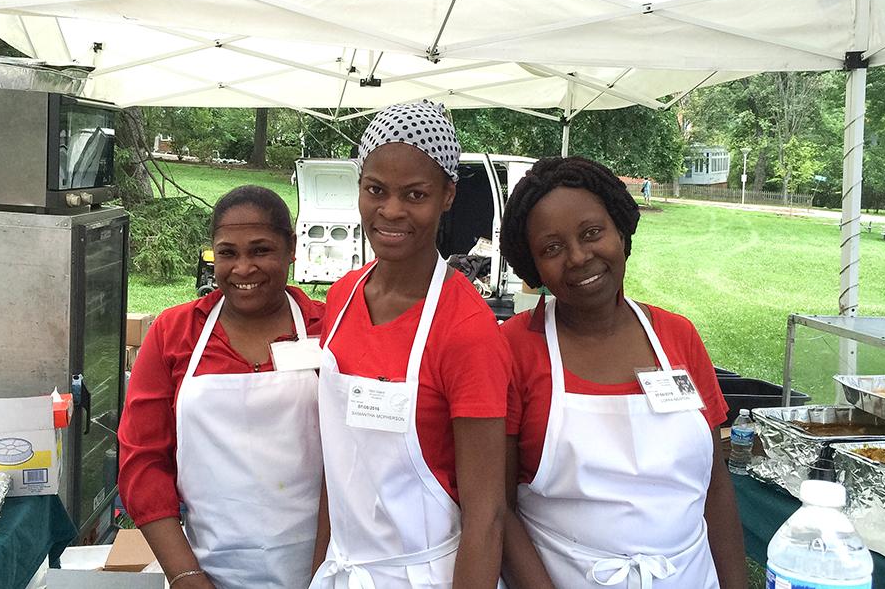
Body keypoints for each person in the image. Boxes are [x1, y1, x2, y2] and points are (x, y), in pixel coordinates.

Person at [498, 156, 745, 589]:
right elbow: (498, 509)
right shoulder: (515, 349)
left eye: (592, 233)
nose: (578, 257)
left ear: (620, 230)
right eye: (552, 248)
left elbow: (716, 487)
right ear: (532, 265)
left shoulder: (678, 336)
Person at [311, 101, 510, 589]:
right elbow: (335, 475)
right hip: (345, 569)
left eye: (414, 194)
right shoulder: (343, 296)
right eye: (375, 189)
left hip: (426, 575)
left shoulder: (466, 328)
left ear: (447, 195)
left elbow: (487, 516)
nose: (391, 211)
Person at [118, 185, 326, 589]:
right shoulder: (173, 333)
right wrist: (185, 575)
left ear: (291, 248)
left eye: (261, 250)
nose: (243, 269)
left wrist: (322, 576)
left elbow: (355, 461)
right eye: (228, 253)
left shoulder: (331, 329)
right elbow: (142, 462)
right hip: (204, 568)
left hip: (322, 568)